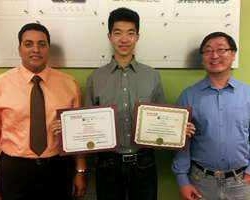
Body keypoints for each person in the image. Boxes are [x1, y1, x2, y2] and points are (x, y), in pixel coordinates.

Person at [84, 7, 195, 200]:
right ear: (109, 36)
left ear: (137, 36)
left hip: (143, 162)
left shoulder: (152, 76)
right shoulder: (95, 78)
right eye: (118, 33)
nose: (124, 39)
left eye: (130, 33)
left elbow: (163, 121)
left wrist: (177, 130)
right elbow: (87, 125)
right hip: (108, 163)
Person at [0, 23, 87, 200]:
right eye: (28, 44)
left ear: (48, 50)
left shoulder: (69, 85)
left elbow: (79, 135)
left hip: (57, 170)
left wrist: (80, 170)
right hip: (15, 171)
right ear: (19, 49)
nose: (35, 49)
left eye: (42, 44)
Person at [171, 32, 250, 200]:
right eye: (208, 51)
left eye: (221, 49)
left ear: (233, 54)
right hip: (200, 182)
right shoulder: (188, 95)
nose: (214, 55)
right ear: (202, 58)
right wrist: (182, 181)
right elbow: (180, 141)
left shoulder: (249, 94)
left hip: (240, 183)